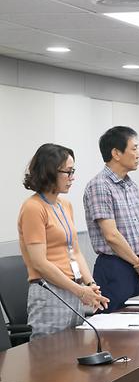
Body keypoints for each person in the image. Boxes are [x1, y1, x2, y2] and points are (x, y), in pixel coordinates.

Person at [18, 144, 108, 338]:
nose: (72, 177)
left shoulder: (65, 205)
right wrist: (80, 291)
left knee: (75, 352)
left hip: (73, 289)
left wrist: (90, 284)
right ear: (49, 172)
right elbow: (39, 263)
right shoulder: (33, 207)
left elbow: (74, 251)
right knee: (50, 357)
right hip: (50, 292)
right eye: (68, 172)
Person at [84, 126, 139, 312]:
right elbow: (111, 235)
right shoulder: (99, 185)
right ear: (116, 153)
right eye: (134, 148)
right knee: (116, 333)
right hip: (115, 267)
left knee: (138, 328)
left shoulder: (131, 184)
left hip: (135, 265)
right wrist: (138, 264)